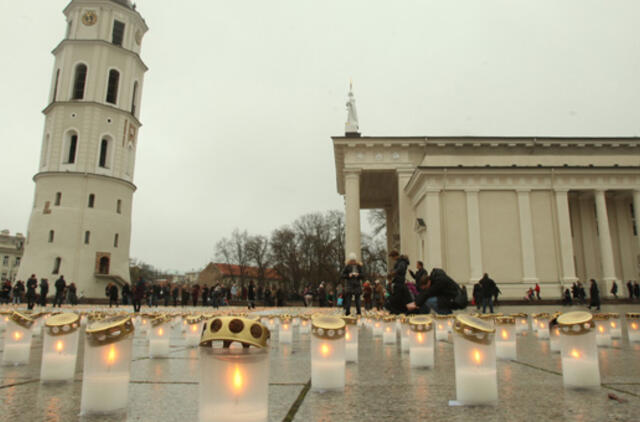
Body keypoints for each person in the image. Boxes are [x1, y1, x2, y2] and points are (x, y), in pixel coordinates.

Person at [385, 250, 412, 315]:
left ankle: (399, 312)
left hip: (399, 283)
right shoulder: (399, 262)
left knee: (397, 301)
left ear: (395, 256)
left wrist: (394, 272)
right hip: (398, 282)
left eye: (392, 257)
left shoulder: (402, 262)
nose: (392, 259)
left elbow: (401, 269)